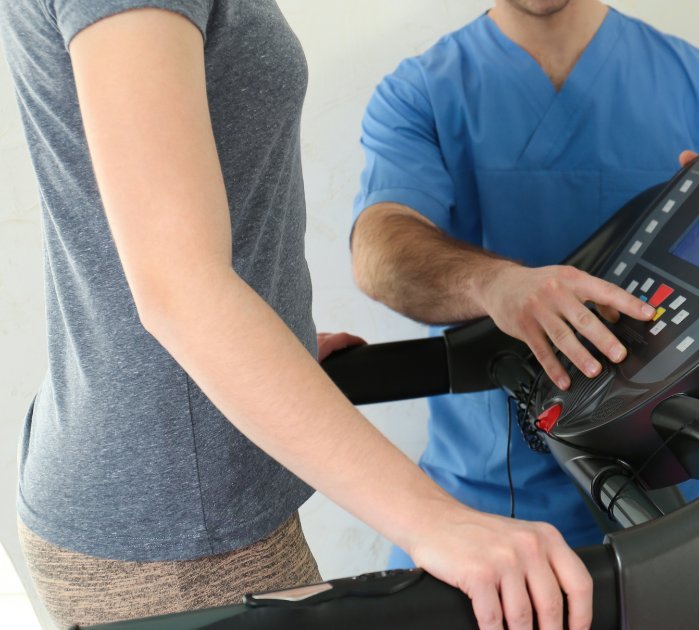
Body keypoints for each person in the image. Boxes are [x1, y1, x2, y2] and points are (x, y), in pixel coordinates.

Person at [0, 2, 591, 629]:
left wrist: (269, 342)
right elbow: (180, 287)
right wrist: (436, 520)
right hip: (175, 520)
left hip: (208, 467)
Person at [351, 0, 699, 569]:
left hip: (666, 523)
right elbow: (380, 252)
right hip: (476, 525)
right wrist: (496, 284)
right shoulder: (421, 92)